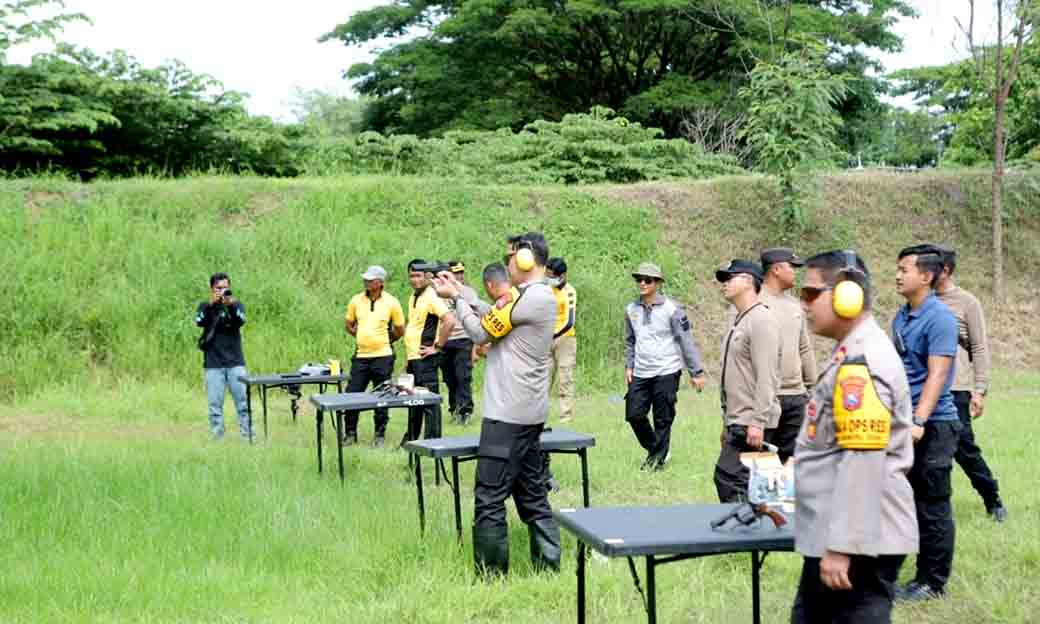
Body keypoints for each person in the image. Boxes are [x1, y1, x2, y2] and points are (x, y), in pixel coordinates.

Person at [791, 250, 917, 624]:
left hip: (857, 540)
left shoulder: (861, 361)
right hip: (843, 530)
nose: (804, 304)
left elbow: (863, 459)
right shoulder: (852, 352)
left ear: (848, 295)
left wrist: (843, 546)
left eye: (812, 293)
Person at [430, 233, 560, 578]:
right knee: (532, 493)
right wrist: (464, 293)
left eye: (511, 258)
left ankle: (491, 575)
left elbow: (482, 334)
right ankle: (548, 569)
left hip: (508, 416)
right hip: (525, 413)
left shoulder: (533, 297)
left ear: (526, 260)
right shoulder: (534, 296)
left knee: (488, 496)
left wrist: (456, 299)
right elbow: (495, 314)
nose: (507, 264)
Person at [891, 245, 961, 602]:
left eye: (905, 269)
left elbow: (938, 375)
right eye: (898, 268)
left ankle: (933, 583)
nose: (898, 274)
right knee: (908, 501)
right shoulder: (901, 317)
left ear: (927, 276)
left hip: (934, 424)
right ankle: (914, 573)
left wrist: (919, 418)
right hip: (906, 421)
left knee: (933, 504)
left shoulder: (941, 318)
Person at [933, 245, 1007, 521]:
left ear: (946, 270)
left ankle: (993, 498)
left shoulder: (967, 302)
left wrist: (980, 389)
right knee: (926, 452)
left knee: (964, 449)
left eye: (933, 266)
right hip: (925, 387)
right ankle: (934, 507)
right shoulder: (922, 301)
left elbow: (979, 348)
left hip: (956, 389)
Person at [623, 262, 706, 471]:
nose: (642, 283)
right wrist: (629, 365)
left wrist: (696, 371)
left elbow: (685, 340)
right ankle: (658, 449)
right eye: (639, 279)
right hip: (641, 372)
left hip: (667, 371)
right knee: (634, 414)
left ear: (658, 283)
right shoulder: (631, 309)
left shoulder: (672, 309)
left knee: (663, 419)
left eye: (648, 280)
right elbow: (630, 340)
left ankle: (655, 462)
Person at [714, 259, 781, 502]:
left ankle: (747, 532)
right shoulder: (741, 319)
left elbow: (767, 376)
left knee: (729, 477)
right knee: (751, 483)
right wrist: (727, 421)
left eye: (730, 278)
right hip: (738, 418)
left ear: (748, 281)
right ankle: (756, 528)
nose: (724, 284)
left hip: (752, 420)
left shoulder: (761, 320)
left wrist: (758, 422)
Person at [759, 247, 817, 463]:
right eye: (791, 267)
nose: (795, 271)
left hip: (796, 396)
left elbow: (804, 347)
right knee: (761, 460)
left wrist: (813, 386)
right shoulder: (754, 302)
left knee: (792, 461)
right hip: (766, 397)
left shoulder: (795, 305)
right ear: (775, 269)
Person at [341, 265, 405, 447]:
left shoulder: (392, 302)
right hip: (361, 356)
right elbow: (349, 324)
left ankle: (379, 434)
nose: (366, 282)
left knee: (381, 396)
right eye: (365, 279)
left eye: (370, 279)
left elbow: (400, 329)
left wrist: (385, 339)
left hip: (383, 357)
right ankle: (350, 433)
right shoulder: (356, 300)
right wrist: (361, 337)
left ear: (380, 282)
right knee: (352, 394)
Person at [402, 259, 456, 444]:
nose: (414, 280)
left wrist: (438, 346)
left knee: (429, 402)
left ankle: (433, 442)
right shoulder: (413, 296)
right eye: (411, 276)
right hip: (414, 359)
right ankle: (411, 439)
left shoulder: (432, 296)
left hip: (426, 359)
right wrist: (407, 360)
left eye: (418, 276)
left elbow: (449, 320)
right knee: (413, 401)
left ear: (427, 276)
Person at [195, 272, 251, 440]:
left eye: (226, 287)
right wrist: (211, 305)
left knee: (243, 404)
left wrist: (231, 305)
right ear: (212, 289)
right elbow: (199, 320)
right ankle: (217, 437)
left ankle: (248, 437)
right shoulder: (205, 306)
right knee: (214, 406)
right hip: (213, 364)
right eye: (219, 288)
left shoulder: (237, 305)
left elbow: (240, 320)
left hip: (235, 362)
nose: (223, 291)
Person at [439, 261, 479, 425]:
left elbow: (477, 319)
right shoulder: (438, 292)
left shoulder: (468, 292)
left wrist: (475, 348)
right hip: (445, 340)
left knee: (463, 377)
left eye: (461, 272)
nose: (459, 276)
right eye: (455, 273)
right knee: (449, 378)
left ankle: (465, 411)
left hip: (464, 339)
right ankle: (454, 408)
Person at [547, 257, 578, 423]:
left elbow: (570, 321)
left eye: (552, 276)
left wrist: (554, 335)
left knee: (565, 377)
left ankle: (565, 416)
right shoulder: (546, 289)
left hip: (565, 339)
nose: (549, 278)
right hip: (546, 339)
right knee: (544, 377)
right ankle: (539, 414)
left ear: (563, 275)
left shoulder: (570, 291)